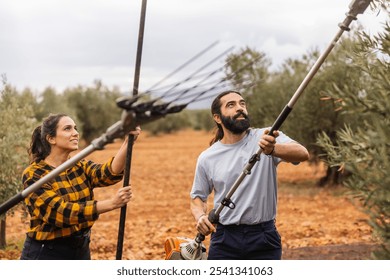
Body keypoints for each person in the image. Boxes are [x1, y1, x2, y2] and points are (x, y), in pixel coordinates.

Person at [190, 90, 309, 260]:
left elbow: (302, 153)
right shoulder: (207, 157)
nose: (240, 108)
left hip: (264, 237)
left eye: (242, 103)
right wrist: (200, 216)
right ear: (217, 117)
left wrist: (273, 149)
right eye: (231, 105)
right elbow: (197, 197)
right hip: (224, 239)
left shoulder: (266, 137)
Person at [20, 113, 141, 260]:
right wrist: (111, 203)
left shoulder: (79, 166)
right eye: (67, 129)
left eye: (75, 128)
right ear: (51, 138)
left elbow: (108, 173)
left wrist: (129, 141)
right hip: (46, 253)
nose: (75, 133)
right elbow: (60, 213)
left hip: (80, 249)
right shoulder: (34, 174)